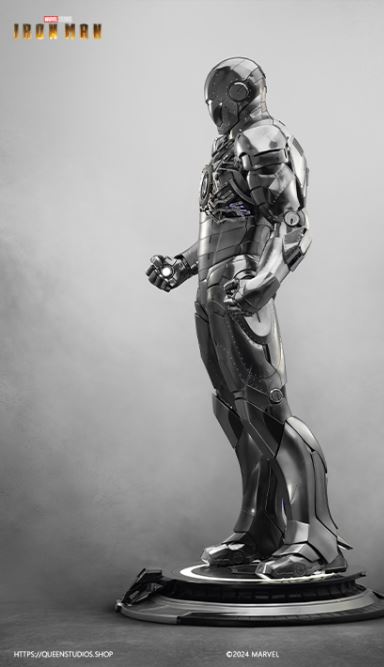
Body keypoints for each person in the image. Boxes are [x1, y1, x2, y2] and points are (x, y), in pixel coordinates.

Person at [146, 57, 350, 578]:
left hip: (241, 287)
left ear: (236, 93)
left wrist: (267, 280)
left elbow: (292, 223)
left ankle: (315, 539)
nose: (212, 110)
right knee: (233, 411)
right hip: (216, 288)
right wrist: (182, 264)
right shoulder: (231, 144)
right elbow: (225, 225)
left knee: (265, 409)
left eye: (216, 99)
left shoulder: (263, 140)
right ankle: (259, 530)